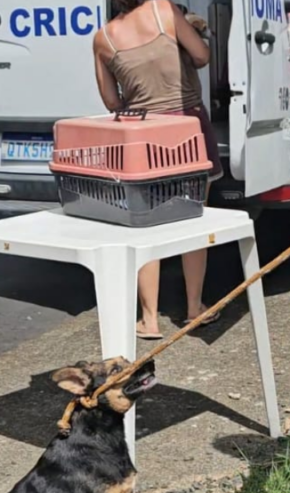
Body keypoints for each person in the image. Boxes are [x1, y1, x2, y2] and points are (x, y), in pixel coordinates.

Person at [92, 0, 223, 340]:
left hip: (144, 135)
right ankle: (194, 307)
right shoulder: (164, 10)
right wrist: (188, 32)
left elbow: (110, 100)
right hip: (188, 126)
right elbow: (202, 57)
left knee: (146, 228)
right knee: (193, 221)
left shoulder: (103, 37)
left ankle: (149, 319)